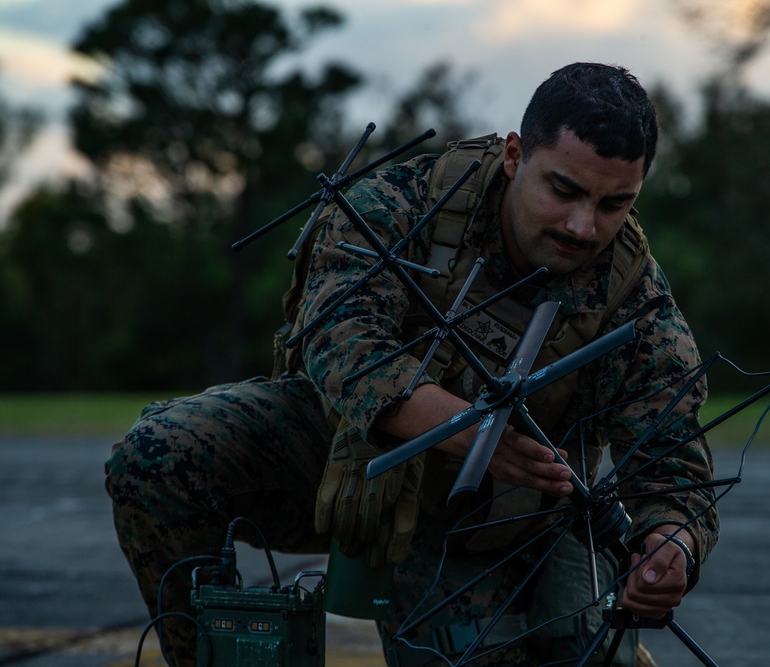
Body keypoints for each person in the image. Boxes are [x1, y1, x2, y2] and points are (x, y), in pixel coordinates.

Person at [106, 62, 719, 667]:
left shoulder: (631, 293)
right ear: (514, 156)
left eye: (615, 204)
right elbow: (343, 345)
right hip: (347, 464)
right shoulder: (405, 204)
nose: (584, 225)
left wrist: (672, 545)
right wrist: (475, 432)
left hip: (492, 522)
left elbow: (671, 464)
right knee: (160, 454)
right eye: (564, 190)